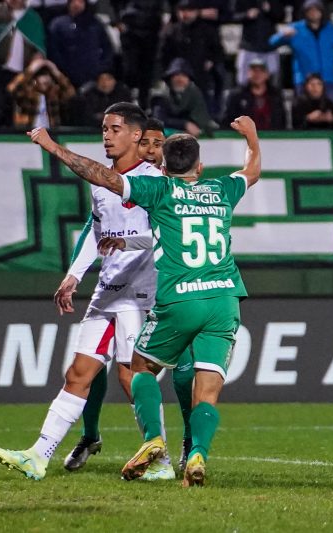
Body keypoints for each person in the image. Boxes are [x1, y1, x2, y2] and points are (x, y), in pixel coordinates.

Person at [22, 114, 260, 487]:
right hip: (225, 298)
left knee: (140, 369)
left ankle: (153, 441)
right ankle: (197, 453)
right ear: (200, 166)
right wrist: (251, 136)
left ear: (163, 167)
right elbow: (252, 169)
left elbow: (99, 175)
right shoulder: (222, 188)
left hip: (179, 298)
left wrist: (53, 148)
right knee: (206, 389)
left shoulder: (159, 190)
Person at [0, 103, 176, 482]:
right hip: (108, 290)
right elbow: (97, 230)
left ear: (136, 135)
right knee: (78, 373)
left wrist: (128, 243)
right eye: (104, 128)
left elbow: (166, 235)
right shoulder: (102, 182)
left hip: (140, 295)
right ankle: (38, 456)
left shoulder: (155, 180)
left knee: (131, 378)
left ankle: (161, 460)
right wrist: (74, 275)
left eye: (114, 129)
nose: (106, 135)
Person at [97, 117, 197, 472]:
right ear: (136, 145)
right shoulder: (139, 186)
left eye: (159, 144)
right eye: (147, 144)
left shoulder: (173, 187)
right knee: (130, 369)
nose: (153, 150)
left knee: (182, 372)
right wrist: (124, 243)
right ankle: (158, 448)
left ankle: (185, 442)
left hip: (175, 287)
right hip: (139, 290)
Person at [268, 0, 333, 102]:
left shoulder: (330, 29)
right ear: (305, 13)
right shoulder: (296, 28)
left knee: (329, 108)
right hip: (304, 79)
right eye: (310, 11)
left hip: (327, 78)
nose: (313, 13)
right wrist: (282, 35)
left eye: (316, 10)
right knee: (303, 108)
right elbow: (272, 42)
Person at [47, 0, 113, 89]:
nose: (76, 4)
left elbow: (107, 48)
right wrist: (62, 71)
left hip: (94, 77)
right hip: (66, 78)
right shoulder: (57, 24)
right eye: (73, 1)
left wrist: (102, 69)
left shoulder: (95, 24)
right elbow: (53, 51)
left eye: (80, 1)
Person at [152, 58, 218, 137]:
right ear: (170, 77)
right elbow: (158, 121)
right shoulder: (161, 93)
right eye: (176, 75)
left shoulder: (193, 92)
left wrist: (207, 126)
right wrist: (184, 124)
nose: (180, 79)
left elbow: (201, 115)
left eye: (184, 76)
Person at [6, 56, 76, 129]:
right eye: (42, 76)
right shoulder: (27, 92)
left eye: (48, 76)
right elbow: (11, 88)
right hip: (28, 132)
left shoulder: (53, 93)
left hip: (50, 133)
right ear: (34, 79)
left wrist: (55, 71)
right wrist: (31, 69)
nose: (46, 79)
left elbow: (71, 93)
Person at [221, 57, 286, 131]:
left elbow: (282, 122)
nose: (257, 74)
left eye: (261, 71)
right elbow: (227, 122)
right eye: (254, 71)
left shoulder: (275, 96)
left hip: (272, 136)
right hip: (243, 136)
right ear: (248, 73)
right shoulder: (236, 96)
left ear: (267, 75)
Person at [230, 0, 283, 86]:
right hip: (249, 46)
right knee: (243, 81)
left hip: (269, 47)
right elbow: (232, 16)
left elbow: (281, 16)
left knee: (273, 82)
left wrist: (270, 10)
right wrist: (246, 15)